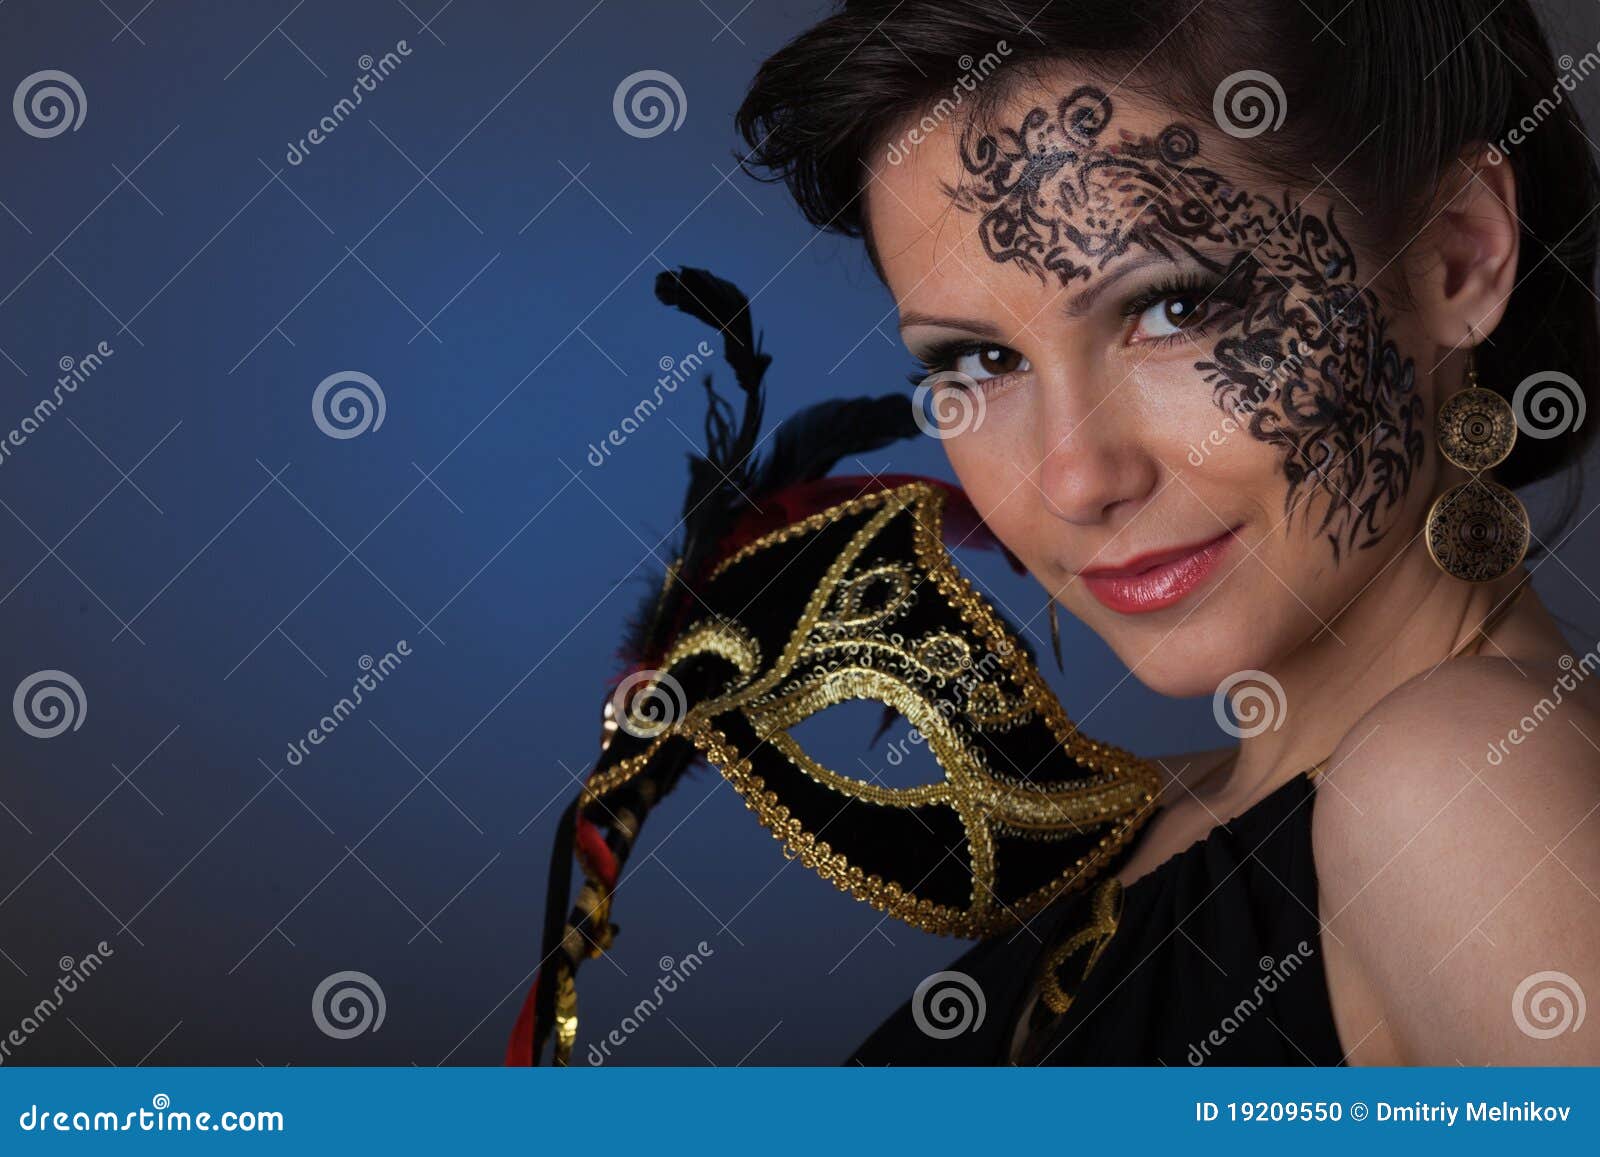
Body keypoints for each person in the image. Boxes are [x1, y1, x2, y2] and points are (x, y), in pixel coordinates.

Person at [727, 0, 1600, 1064]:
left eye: (1172, 311)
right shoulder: (1156, 817)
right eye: (980, 362)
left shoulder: (1465, 790)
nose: (1075, 476)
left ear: (1454, 256)